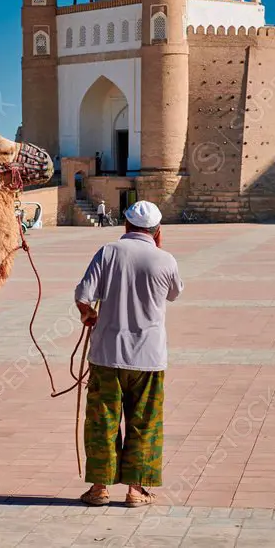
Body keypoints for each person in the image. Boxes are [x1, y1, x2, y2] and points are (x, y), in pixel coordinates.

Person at [74, 200, 184, 508]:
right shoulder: (166, 259)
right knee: (145, 421)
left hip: (107, 355)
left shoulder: (108, 252)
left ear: (126, 226)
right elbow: (174, 293)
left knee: (102, 421)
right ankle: (137, 490)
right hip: (149, 358)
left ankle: (99, 488)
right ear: (157, 231)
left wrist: (89, 315)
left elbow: (83, 295)